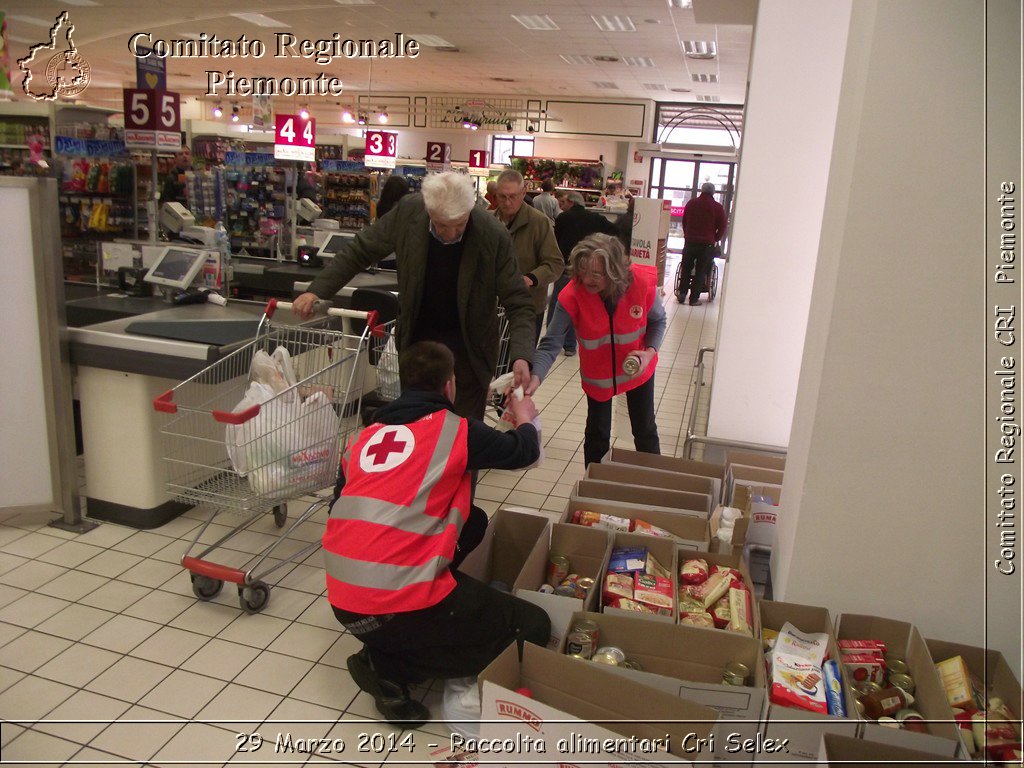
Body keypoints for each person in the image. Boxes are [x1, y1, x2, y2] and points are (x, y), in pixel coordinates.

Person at [324, 341, 550, 726]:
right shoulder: (455, 430)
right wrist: (525, 416)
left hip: (344, 600)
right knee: (533, 626)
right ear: (450, 386)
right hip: (397, 603)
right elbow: (523, 451)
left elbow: (338, 509)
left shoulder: (362, 439)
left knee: (474, 520)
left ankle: (392, 640)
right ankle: (388, 667)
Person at [292, 172, 535, 420]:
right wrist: (317, 290)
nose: (450, 235)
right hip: (418, 349)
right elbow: (361, 249)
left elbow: (518, 302)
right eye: (441, 226)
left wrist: (521, 357)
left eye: (459, 226)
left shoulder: (492, 234)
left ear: (470, 212)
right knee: (416, 433)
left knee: (463, 438)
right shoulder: (409, 212)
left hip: (469, 353)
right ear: (428, 211)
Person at [527, 233, 665, 467]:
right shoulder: (572, 294)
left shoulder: (639, 284)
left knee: (645, 429)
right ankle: (592, 485)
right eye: (583, 271)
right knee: (597, 432)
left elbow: (658, 321)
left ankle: (653, 483)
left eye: (597, 274)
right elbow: (551, 342)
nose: (588, 279)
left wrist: (649, 352)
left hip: (637, 368)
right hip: (598, 376)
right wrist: (535, 376)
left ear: (614, 272)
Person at [493, 169, 564, 344]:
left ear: (523, 192)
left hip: (527, 308)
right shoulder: (488, 222)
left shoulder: (539, 222)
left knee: (520, 363)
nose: (507, 202)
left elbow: (555, 263)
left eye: (513, 196)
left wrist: (530, 278)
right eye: (502, 197)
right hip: (493, 309)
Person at [548, 190, 617, 356]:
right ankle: (572, 346)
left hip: (567, 268)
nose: (561, 206)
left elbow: (555, 241)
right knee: (581, 307)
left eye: (563, 203)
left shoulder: (563, 218)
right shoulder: (596, 218)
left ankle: (552, 344)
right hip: (591, 270)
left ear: (572, 202)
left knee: (561, 306)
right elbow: (615, 231)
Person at [681, 181, 728, 306]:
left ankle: (682, 294)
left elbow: (684, 221)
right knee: (701, 271)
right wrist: (715, 238)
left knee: (686, 268)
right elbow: (723, 226)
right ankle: (694, 299)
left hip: (690, 242)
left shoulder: (691, 203)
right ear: (713, 192)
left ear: (702, 190)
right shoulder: (717, 207)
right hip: (707, 244)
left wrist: (687, 234)